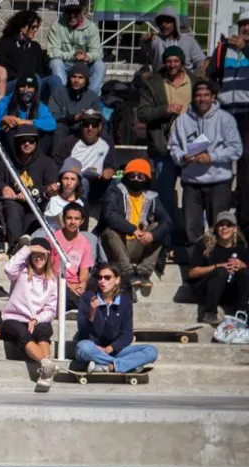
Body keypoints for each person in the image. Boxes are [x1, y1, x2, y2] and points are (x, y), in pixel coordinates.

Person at [169, 80, 242, 254]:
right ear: (193, 97)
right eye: (198, 95)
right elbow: (173, 147)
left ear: (213, 97)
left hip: (219, 182)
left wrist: (213, 157)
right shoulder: (182, 121)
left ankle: (217, 269)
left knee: (220, 230)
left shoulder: (225, 119)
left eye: (206, 95)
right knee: (192, 231)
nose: (202, 99)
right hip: (191, 182)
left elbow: (236, 149)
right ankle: (194, 273)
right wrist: (182, 157)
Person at [138, 47, 191, 231]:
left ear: (182, 61)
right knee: (165, 195)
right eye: (168, 61)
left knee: (191, 194)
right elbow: (142, 113)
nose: (172, 65)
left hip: (191, 146)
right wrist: (165, 110)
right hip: (165, 146)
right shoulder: (154, 83)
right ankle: (168, 235)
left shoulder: (194, 81)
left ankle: (188, 235)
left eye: (176, 61)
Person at [96, 158, 172, 289]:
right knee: (110, 230)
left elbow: (167, 221)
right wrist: (132, 229)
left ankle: (143, 272)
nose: (136, 179)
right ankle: (127, 272)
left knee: (158, 228)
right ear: (126, 177)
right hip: (116, 246)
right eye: (132, 176)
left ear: (147, 179)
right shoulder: (115, 191)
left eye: (141, 176)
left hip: (139, 245)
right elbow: (110, 214)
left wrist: (152, 236)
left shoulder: (152, 196)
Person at [75, 263, 158, 374]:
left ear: (117, 280)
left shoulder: (125, 301)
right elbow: (83, 331)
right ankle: (126, 365)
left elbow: (127, 334)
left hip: (114, 350)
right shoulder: (88, 297)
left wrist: (108, 349)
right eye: (99, 277)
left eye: (107, 277)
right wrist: (92, 312)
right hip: (93, 349)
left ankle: (109, 366)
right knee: (83, 347)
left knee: (151, 351)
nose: (102, 281)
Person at [0, 124, 58, 252]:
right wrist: (3, 187)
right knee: (12, 206)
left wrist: (31, 194)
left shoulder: (47, 163)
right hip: (13, 207)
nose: (27, 144)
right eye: (23, 141)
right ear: (17, 142)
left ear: (36, 143)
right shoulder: (7, 162)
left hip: (38, 208)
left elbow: (52, 188)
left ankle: (32, 246)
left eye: (31, 141)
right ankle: (16, 248)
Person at [1, 239, 58, 392]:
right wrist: (28, 248)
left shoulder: (52, 280)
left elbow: (51, 310)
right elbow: (8, 269)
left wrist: (37, 319)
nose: (38, 258)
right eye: (35, 254)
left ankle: (46, 374)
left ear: (48, 257)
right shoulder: (20, 272)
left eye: (42, 255)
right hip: (14, 317)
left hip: (36, 319)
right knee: (22, 333)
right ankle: (46, 363)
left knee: (44, 329)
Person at [209, 12, 249, 228]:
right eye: (243, 24)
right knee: (221, 167)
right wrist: (216, 93)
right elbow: (211, 75)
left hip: (247, 114)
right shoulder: (224, 48)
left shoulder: (243, 47)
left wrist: (245, 48)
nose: (246, 28)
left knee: (246, 170)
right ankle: (220, 223)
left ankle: (244, 225)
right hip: (225, 113)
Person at [188, 211, 248, 325]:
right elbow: (192, 273)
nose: (224, 228)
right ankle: (209, 312)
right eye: (221, 224)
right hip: (206, 290)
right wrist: (218, 266)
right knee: (221, 272)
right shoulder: (205, 244)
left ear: (234, 228)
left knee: (245, 272)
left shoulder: (241, 246)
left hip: (230, 291)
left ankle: (241, 312)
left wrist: (242, 265)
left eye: (229, 224)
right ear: (216, 228)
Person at [52, 108, 116, 206]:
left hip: (98, 182)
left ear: (99, 126)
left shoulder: (107, 141)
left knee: (114, 182)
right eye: (86, 124)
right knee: (84, 181)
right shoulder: (69, 142)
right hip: (74, 184)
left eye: (94, 125)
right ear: (81, 125)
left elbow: (110, 164)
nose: (90, 128)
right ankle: (79, 211)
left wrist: (109, 170)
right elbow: (57, 165)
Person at [46, 0, 105, 95]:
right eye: (68, 11)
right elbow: (52, 51)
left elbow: (98, 53)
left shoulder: (91, 27)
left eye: (76, 11)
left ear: (82, 11)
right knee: (55, 62)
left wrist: (87, 56)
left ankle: (89, 99)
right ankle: (64, 98)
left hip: (85, 65)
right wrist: (73, 55)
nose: (72, 15)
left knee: (100, 65)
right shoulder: (56, 26)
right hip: (66, 64)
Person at [0, 10, 54, 97]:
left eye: (37, 27)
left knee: (54, 79)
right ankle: (34, 108)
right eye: (32, 27)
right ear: (21, 27)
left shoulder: (35, 46)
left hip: (34, 82)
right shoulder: (6, 43)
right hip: (14, 83)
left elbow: (42, 70)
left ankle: (57, 109)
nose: (35, 30)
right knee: (34, 78)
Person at [0, 74, 57, 156]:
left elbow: (52, 124)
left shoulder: (40, 106)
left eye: (30, 87)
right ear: (17, 88)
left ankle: (37, 160)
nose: (26, 90)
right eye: (22, 86)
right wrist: (2, 121)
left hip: (31, 144)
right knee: (9, 128)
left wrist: (26, 122)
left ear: (35, 90)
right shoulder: (6, 102)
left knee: (47, 134)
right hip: (11, 144)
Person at [51, 201, 93, 309]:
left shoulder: (85, 243)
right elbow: (49, 271)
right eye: (69, 218)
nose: (72, 222)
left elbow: (84, 272)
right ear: (63, 219)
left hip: (75, 284)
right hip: (57, 283)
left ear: (82, 221)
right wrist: (68, 286)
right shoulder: (52, 239)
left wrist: (82, 284)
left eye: (77, 219)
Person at [47, 61, 101, 145]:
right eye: (74, 77)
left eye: (80, 77)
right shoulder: (59, 93)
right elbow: (52, 115)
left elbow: (98, 116)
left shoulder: (92, 96)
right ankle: (58, 157)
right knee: (59, 128)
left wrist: (88, 117)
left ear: (86, 80)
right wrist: (73, 117)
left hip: (84, 128)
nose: (76, 80)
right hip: (64, 127)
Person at [141, 6, 206, 74]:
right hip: (162, 80)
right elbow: (144, 45)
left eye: (167, 22)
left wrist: (199, 72)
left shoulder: (188, 41)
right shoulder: (155, 40)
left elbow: (200, 61)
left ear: (175, 23)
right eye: (161, 22)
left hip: (186, 81)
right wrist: (144, 39)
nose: (164, 25)